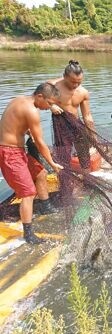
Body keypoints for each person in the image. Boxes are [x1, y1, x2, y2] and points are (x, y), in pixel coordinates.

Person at [0, 83, 63, 244]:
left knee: (40, 173)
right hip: (9, 152)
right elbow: (41, 143)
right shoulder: (32, 111)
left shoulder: (20, 100)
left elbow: (16, 123)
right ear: (40, 96)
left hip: (17, 150)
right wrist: (53, 163)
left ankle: (45, 206)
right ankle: (28, 233)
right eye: (49, 103)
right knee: (28, 193)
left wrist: (27, 131)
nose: (49, 107)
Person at [47, 60, 95, 174]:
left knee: (84, 153)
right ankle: (66, 180)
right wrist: (51, 106)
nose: (75, 85)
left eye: (79, 82)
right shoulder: (52, 86)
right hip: (61, 125)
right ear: (64, 76)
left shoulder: (83, 92)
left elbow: (87, 116)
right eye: (72, 81)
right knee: (64, 154)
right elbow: (38, 97)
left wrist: (93, 136)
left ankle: (87, 178)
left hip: (76, 123)